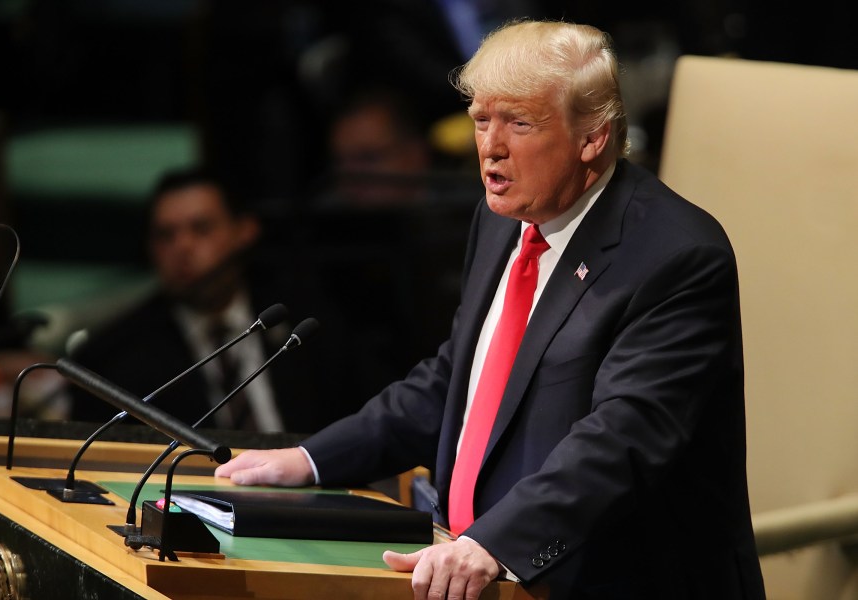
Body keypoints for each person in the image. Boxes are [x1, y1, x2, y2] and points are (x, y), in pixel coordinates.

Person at [215, 19, 766, 599]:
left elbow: (622, 439)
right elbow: (460, 381)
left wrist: (497, 542)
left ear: (593, 136)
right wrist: (312, 459)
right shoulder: (502, 219)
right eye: (482, 119)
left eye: (519, 123)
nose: (490, 146)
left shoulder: (676, 256)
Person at [68, 167, 352, 434]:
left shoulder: (307, 323)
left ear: (245, 231)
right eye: (166, 235)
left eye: (201, 228)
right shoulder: (116, 355)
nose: (182, 247)